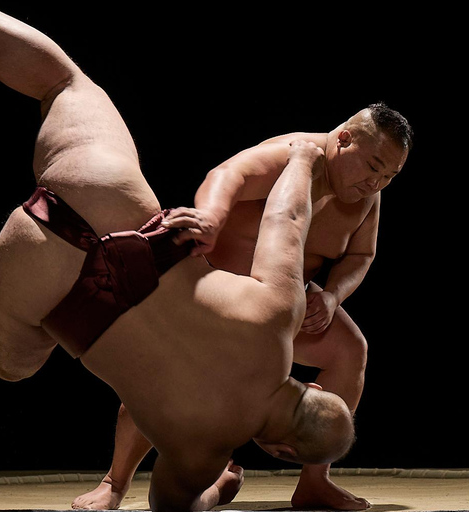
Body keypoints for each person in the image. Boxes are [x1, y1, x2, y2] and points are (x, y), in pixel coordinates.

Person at [0, 1, 355, 510]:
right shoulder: (199, 455)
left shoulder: (281, 315)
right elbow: (170, 507)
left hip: (105, 198)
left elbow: (288, 221)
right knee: (6, 360)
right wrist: (216, 489)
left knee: (66, 84)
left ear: (306, 385)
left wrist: (302, 157)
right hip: (48, 284)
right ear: (279, 449)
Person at [72, 106, 413, 510]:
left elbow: (362, 255)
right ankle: (115, 482)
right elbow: (227, 175)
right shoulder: (294, 153)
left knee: (351, 349)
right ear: (343, 139)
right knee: (166, 383)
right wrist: (213, 218)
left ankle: (314, 481)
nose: (376, 182)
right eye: (373, 166)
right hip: (218, 297)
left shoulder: (367, 196)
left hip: (286, 306)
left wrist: (332, 295)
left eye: (390, 176)